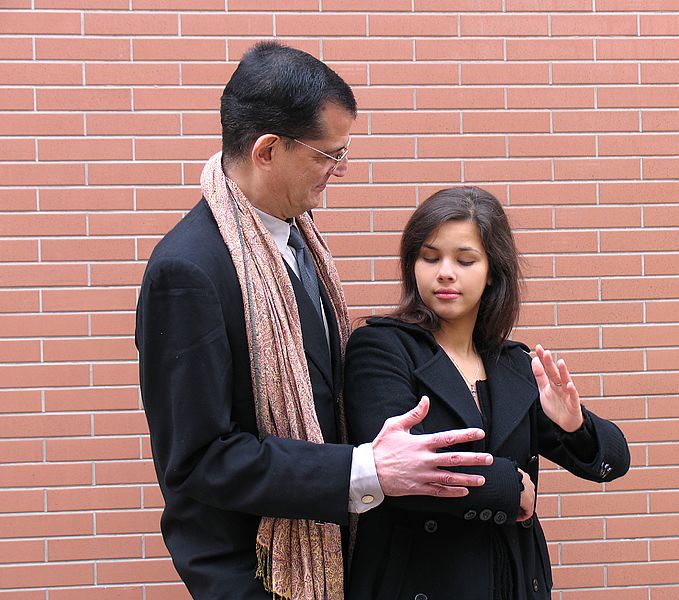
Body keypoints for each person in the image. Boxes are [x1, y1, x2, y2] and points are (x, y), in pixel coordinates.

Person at [135, 42, 495, 600]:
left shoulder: (297, 238)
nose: (341, 168)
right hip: (258, 574)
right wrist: (365, 471)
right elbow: (199, 460)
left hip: (332, 557)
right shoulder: (190, 270)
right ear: (268, 150)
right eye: (328, 154)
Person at [343, 186, 631, 600]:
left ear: (492, 270)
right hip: (421, 580)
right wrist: (508, 488)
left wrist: (575, 424)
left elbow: (612, 462)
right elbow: (399, 466)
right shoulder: (381, 348)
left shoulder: (512, 363)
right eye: (430, 257)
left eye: (464, 260)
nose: (445, 272)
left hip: (513, 580)